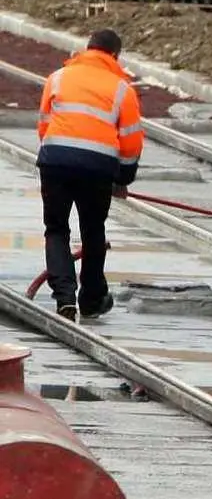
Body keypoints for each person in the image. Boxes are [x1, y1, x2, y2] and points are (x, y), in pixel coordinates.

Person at [36, 28, 143, 320]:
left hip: (55, 161)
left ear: (87, 49)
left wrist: (55, 155)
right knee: (93, 231)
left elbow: (44, 125)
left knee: (56, 228)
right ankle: (92, 299)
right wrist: (122, 180)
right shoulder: (122, 89)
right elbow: (131, 141)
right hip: (97, 167)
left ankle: (64, 299)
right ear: (115, 56)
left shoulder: (58, 77)